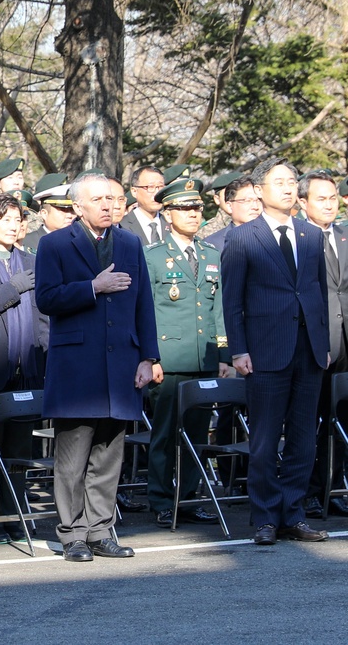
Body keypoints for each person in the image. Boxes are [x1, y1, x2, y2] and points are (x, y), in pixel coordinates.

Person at [34, 172, 158, 562]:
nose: (109, 205)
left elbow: (144, 304)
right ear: (78, 206)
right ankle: (72, 534)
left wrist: (148, 356)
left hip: (122, 360)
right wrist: (93, 287)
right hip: (77, 365)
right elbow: (47, 298)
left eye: (115, 198)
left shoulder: (129, 242)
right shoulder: (54, 244)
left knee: (109, 453)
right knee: (73, 457)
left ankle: (101, 530)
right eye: (100, 199)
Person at [221, 157, 330, 546]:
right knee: (266, 439)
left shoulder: (310, 235)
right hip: (265, 351)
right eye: (280, 181)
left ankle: (294, 514)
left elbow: (317, 292)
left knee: (304, 438)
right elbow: (232, 300)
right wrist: (238, 350)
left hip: (309, 350)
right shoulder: (243, 236)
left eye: (292, 181)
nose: (288, 187)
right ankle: (265, 517)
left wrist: (324, 343)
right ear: (261, 191)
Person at [142, 179, 227, 528]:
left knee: (196, 433)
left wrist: (222, 355)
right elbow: (145, 310)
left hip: (203, 358)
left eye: (197, 209)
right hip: (169, 359)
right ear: (168, 212)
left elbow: (217, 308)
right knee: (163, 434)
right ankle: (162, 500)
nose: (194, 214)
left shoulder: (210, 255)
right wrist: (151, 357)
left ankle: (189, 497)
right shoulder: (153, 256)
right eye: (186, 209)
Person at [0, 193, 48, 543]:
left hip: (26, 369)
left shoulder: (32, 259)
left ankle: (15, 515)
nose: (13, 225)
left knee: (19, 453)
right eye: (5, 219)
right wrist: (11, 289)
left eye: (17, 219)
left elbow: (43, 315)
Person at [296, 170, 348, 518]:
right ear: (303, 203)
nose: (329, 205)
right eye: (321, 198)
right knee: (311, 422)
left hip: (345, 343)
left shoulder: (345, 236)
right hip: (315, 342)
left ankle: (334, 487)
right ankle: (310, 493)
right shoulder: (299, 238)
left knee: (342, 418)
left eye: (333, 198)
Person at [204, 176, 262, 252]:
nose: (255, 206)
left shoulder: (276, 236)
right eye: (247, 201)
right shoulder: (212, 245)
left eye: (259, 200)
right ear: (229, 206)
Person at [120, 166, 168, 245]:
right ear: (134, 191)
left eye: (160, 187)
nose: (157, 193)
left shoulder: (171, 224)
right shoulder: (122, 226)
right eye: (150, 187)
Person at [22, 183, 76, 252]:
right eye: (63, 210)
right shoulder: (26, 243)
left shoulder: (81, 242)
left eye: (72, 210)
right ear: (44, 214)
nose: (69, 215)